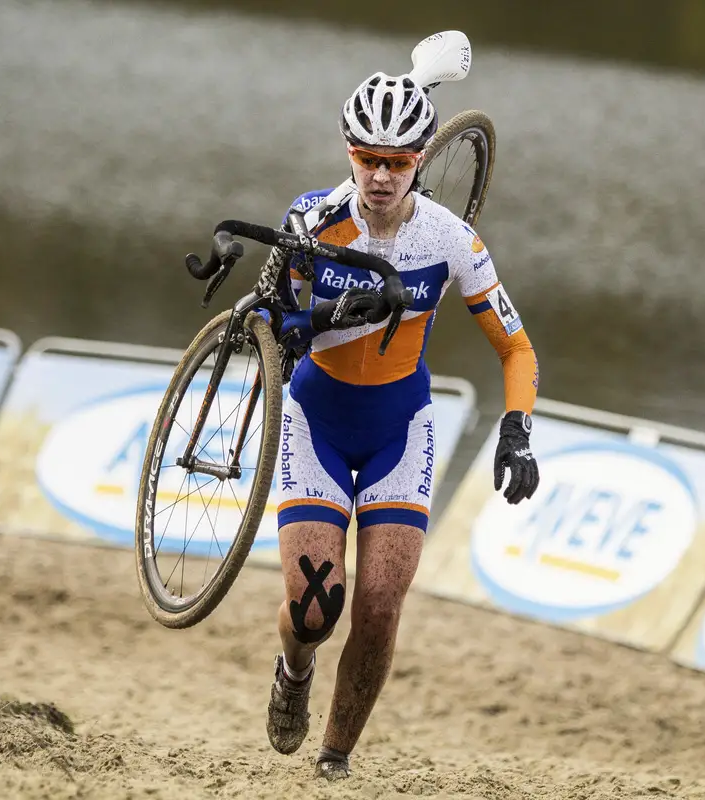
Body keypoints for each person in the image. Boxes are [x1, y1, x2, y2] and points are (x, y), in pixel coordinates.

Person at [263, 70, 541, 781]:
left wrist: (517, 428)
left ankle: (335, 759)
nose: (380, 177)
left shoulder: (452, 239)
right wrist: (306, 323)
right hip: (316, 419)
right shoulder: (311, 220)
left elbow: (516, 346)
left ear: (420, 159)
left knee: (380, 605)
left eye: (397, 163)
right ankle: (294, 672)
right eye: (367, 159)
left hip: (400, 428)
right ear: (347, 151)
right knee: (315, 606)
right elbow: (268, 320)